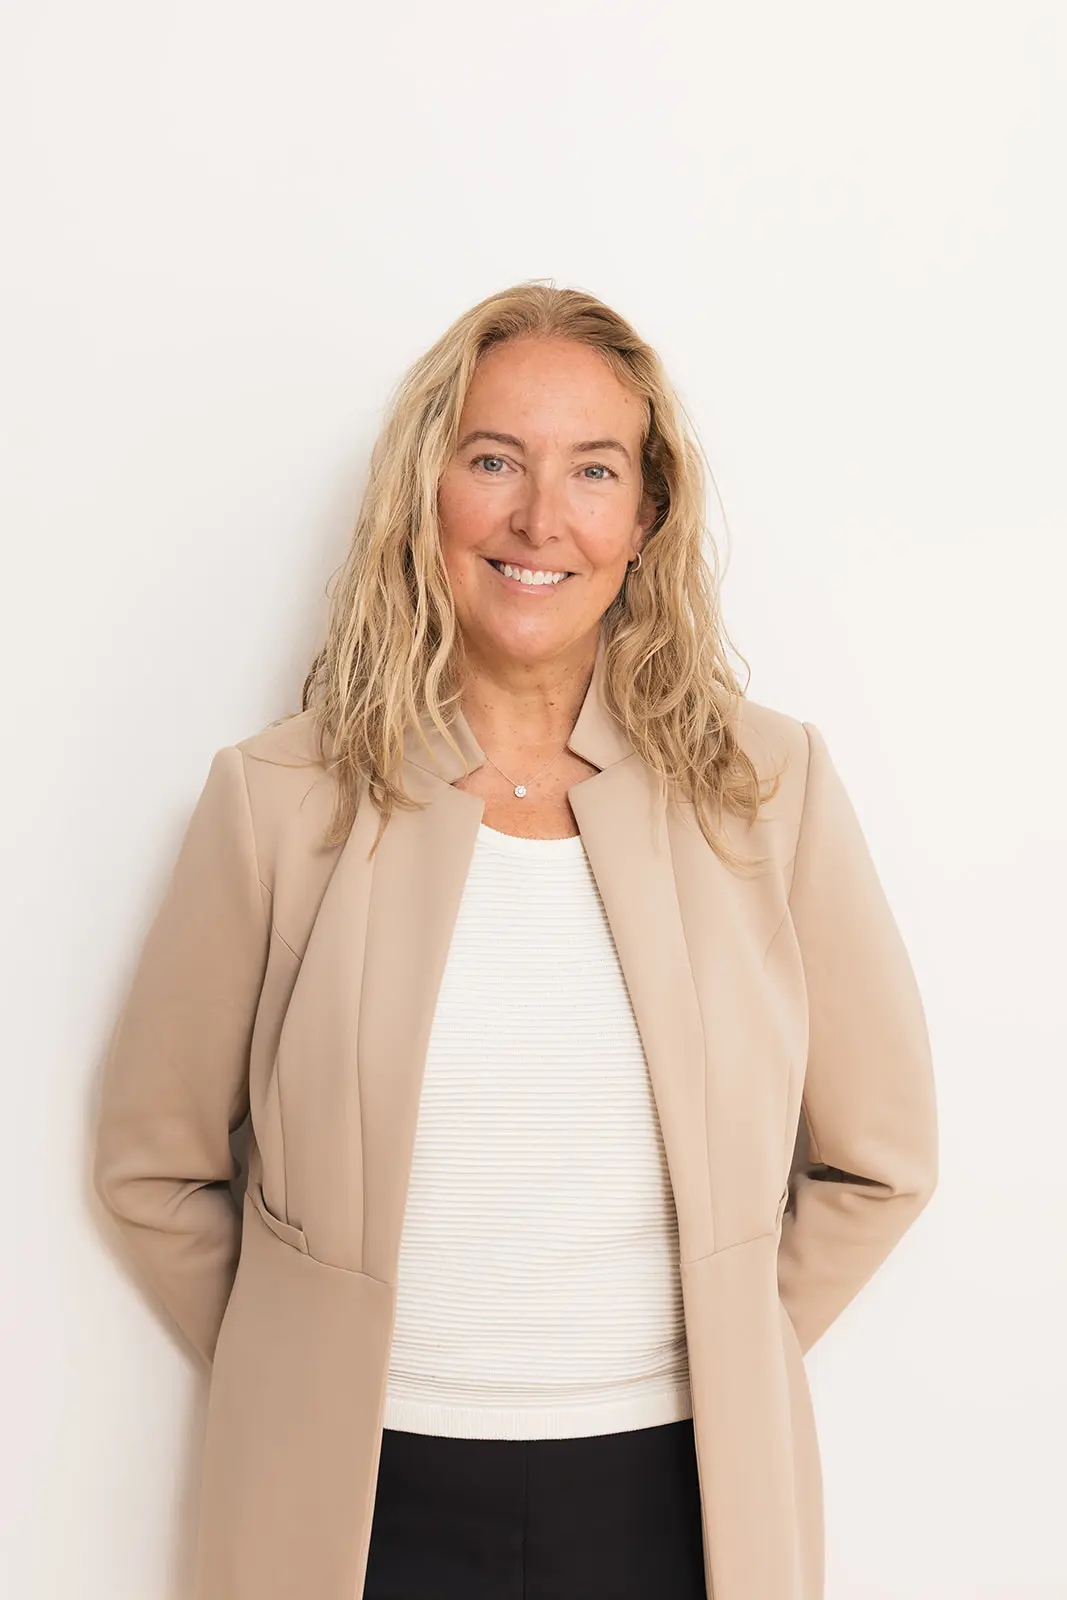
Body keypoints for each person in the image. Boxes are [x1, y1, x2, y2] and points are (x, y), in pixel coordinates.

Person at [92, 281, 939, 1600]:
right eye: (494, 460)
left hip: (679, 1501)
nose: (541, 518)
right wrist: (302, 1374)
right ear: (425, 492)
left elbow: (880, 1159)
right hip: (357, 1508)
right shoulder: (277, 800)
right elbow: (153, 1164)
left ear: (646, 518)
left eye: (594, 470)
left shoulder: (768, 791)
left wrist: (730, 1350)